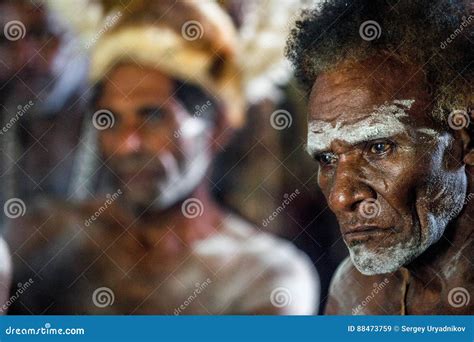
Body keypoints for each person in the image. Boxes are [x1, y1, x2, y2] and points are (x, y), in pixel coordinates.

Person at [7, 0, 319, 315]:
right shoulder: (40, 236)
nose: (127, 144)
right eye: (109, 119)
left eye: (153, 117)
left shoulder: (265, 278)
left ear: (217, 128)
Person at [286, 0, 473, 314]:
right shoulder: (353, 293)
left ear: (463, 144)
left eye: (378, 148)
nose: (341, 196)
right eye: (328, 159)